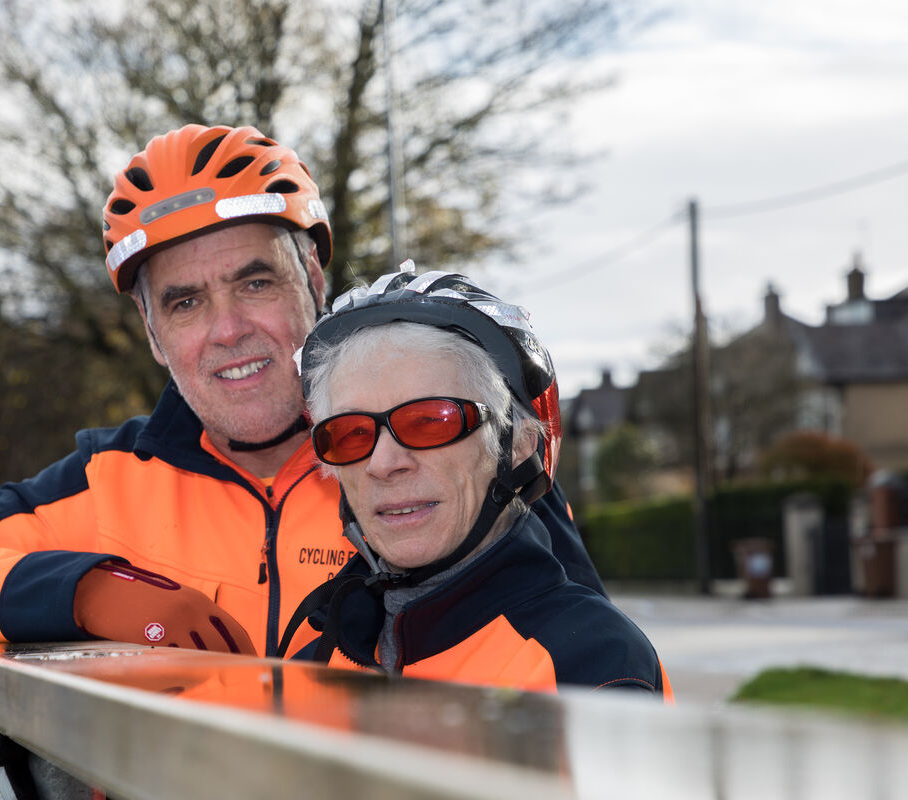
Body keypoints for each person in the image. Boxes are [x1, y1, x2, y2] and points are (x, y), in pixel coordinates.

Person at [0, 124, 604, 666]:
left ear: (315, 282)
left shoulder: (438, 461)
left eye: (255, 282)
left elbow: (586, 665)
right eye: (185, 303)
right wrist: (87, 593)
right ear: (153, 336)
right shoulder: (105, 481)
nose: (227, 330)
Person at [282, 266, 672, 698]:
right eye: (352, 433)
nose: (384, 462)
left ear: (519, 445)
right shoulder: (314, 660)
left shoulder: (594, 668)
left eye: (430, 421)